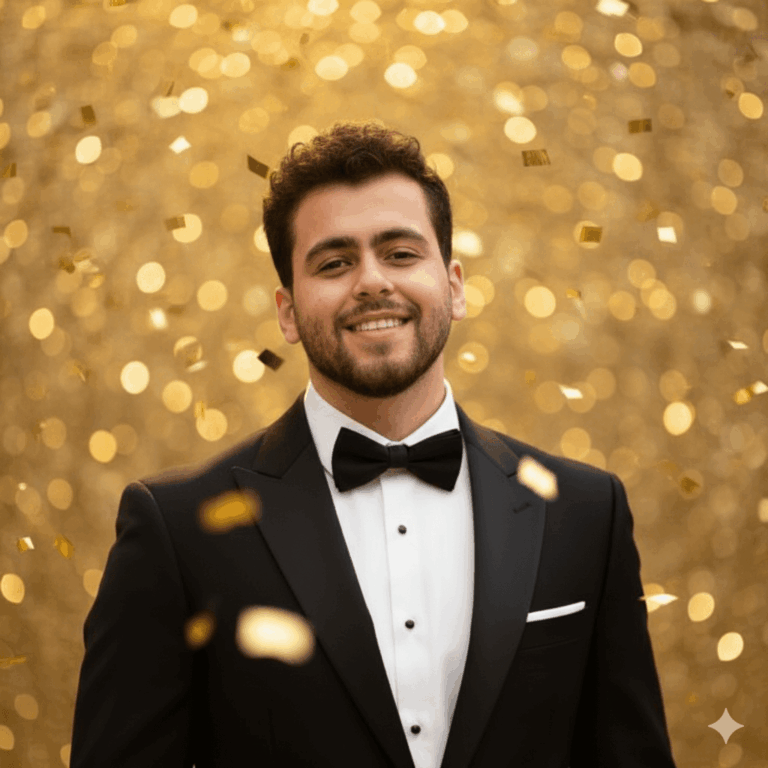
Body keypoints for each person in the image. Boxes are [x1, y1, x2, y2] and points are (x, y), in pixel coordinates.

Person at [70, 120, 678, 767]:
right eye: (334, 262)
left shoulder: (586, 512)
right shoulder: (177, 531)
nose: (371, 282)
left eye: (400, 253)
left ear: (454, 284)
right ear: (287, 311)